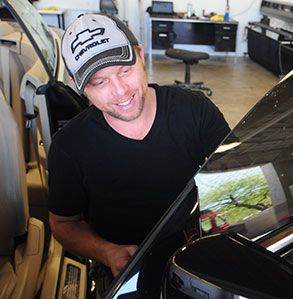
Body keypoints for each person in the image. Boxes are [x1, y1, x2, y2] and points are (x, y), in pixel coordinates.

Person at [47, 13, 230, 295]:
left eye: (124, 70)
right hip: (124, 269)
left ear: (140, 55)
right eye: (100, 82)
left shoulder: (195, 110)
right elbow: (62, 223)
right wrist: (107, 252)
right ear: (78, 85)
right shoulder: (69, 147)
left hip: (197, 252)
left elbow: (238, 171)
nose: (120, 91)